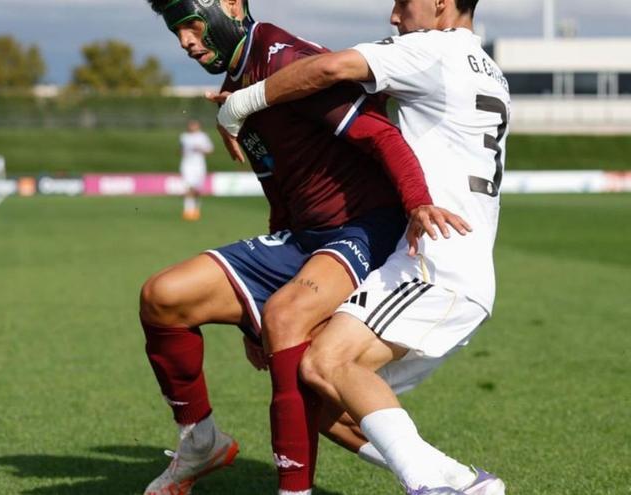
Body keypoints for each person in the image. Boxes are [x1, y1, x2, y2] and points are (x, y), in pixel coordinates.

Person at [141, 1, 470, 494]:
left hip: (366, 228)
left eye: (190, 26)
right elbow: (279, 189)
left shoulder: (284, 61)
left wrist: (418, 203)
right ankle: (200, 440)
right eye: (176, 33)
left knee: (288, 323)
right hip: (305, 237)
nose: (186, 42)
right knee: (162, 297)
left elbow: (381, 135)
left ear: (231, 5)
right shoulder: (236, 92)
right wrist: (256, 297)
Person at [215, 0, 509, 493]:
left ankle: (425, 486)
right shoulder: (489, 70)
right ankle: (465, 483)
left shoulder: (432, 49)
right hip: (456, 261)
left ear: (439, 2)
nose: (394, 17)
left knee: (328, 363)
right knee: (321, 390)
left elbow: (329, 68)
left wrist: (242, 102)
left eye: (403, 3)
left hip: (437, 260)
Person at [179, 120, 214, 221]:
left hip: (199, 165)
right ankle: (187, 211)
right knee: (188, 188)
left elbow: (210, 150)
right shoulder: (184, 136)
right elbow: (181, 150)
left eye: (194, 125)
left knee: (197, 189)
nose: (192, 127)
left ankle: (196, 210)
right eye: (190, 125)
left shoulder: (203, 136)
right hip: (187, 165)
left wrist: (201, 149)